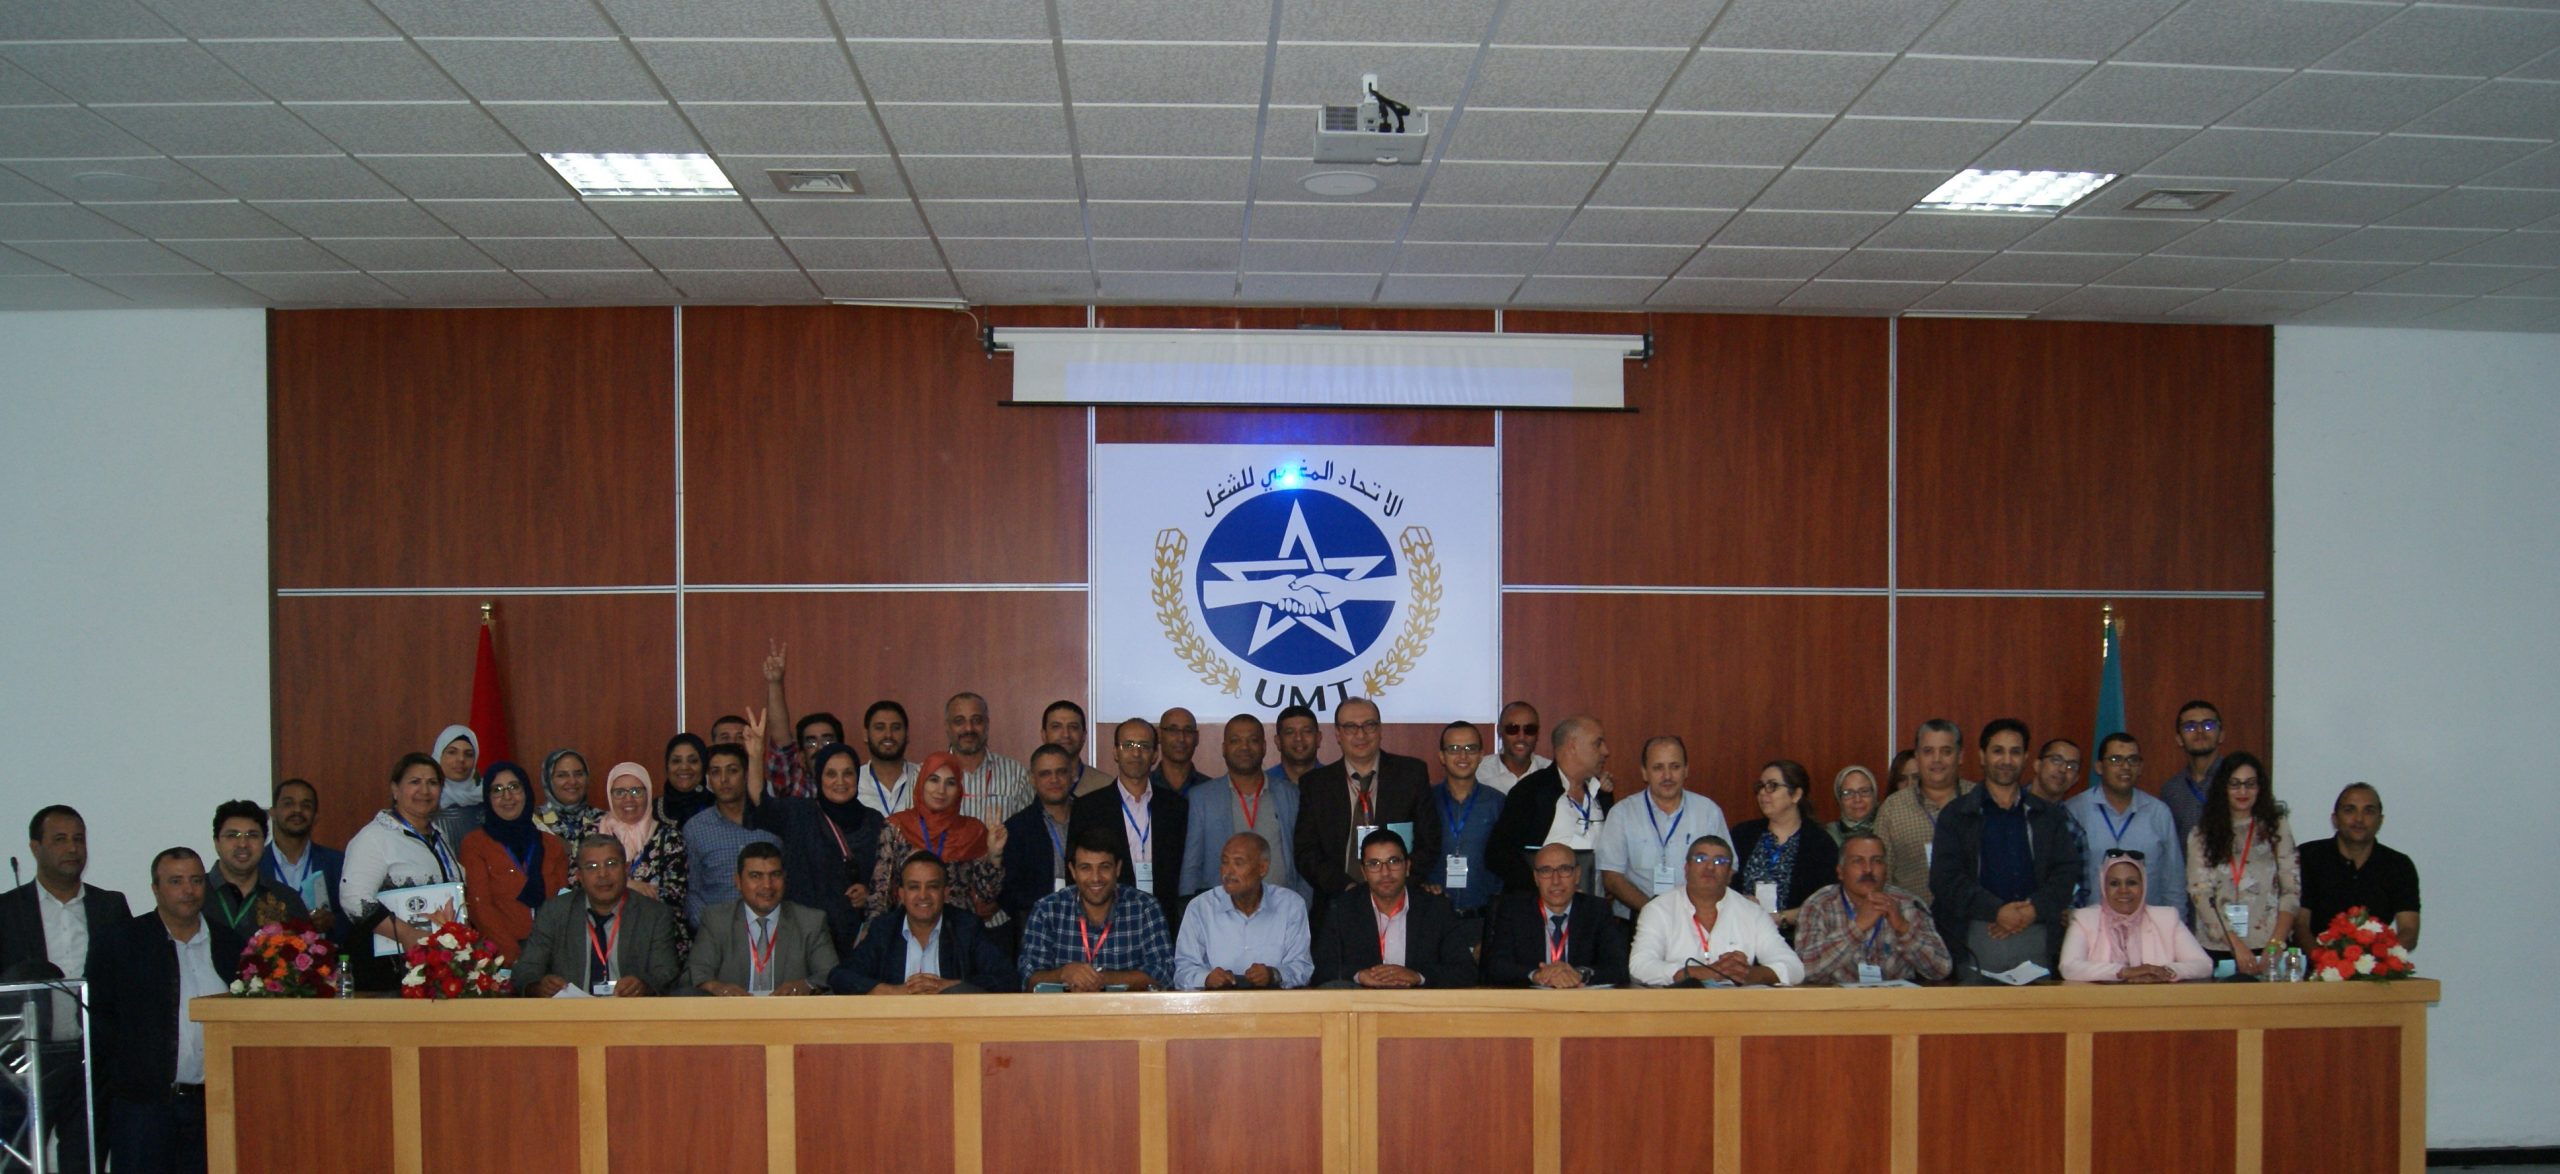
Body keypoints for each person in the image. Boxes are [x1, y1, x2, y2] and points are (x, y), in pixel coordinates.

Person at [91, 848, 244, 1174]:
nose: (188, 890)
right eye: (176, 881)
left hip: (211, 1105)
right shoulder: (122, 942)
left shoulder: (230, 944)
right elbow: (100, 1020)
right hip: (143, 1109)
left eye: (196, 880)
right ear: (155, 889)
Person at [0, 805, 129, 1172]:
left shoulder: (110, 906)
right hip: (26, 1061)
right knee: (18, 1162)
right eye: (60, 840)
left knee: (85, 1161)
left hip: (93, 1059)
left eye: (78, 839)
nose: (72, 848)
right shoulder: (8, 910)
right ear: (35, 847)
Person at [1928, 719, 2079, 983]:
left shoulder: (2047, 815)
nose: (2007, 760)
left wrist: (2032, 910)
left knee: (2038, 1011)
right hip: (1976, 934)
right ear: (1982, 756)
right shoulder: (1957, 814)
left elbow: (2066, 873)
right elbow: (1945, 879)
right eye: (1998, 751)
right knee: (1978, 1010)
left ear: (2026, 758)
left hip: (2036, 931)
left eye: (2015, 752)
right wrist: (1996, 911)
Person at [1293, 698, 1436, 920]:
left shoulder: (1411, 775)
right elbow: (1306, 852)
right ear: (1338, 734)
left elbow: (1429, 842)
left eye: (1369, 725)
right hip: (1337, 905)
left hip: (1400, 905)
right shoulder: (1316, 784)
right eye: (1350, 727)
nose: (1361, 735)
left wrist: (1394, 886)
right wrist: (1348, 889)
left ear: (1380, 730)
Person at [748, 728, 886, 954]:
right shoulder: (799, 813)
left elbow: (885, 879)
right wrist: (755, 756)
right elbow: (760, 801)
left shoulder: (874, 821)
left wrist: (868, 895)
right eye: (831, 774)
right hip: (803, 936)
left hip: (855, 937)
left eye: (848, 773)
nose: (840, 781)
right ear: (819, 777)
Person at [341, 753, 462, 989]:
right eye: (415, 782)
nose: (424, 790)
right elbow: (353, 900)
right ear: (395, 790)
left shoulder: (440, 837)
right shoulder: (375, 837)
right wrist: (406, 934)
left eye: (432, 783)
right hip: (386, 969)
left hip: (437, 963)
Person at [1068, 719, 1194, 936]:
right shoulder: (1088, 807)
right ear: (1116, 752)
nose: (1136, 753)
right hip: (1108, 920)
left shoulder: (1176, 807)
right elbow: (1075, 869)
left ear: (1155, 754)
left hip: (1163, 919)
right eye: (1128, 745)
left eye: (1144, 746)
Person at [1628, 834, 1804, 987]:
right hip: (1676, 1004)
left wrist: (1747, 974)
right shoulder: (1658, 909)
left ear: (1730, 874)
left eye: (1720, 861)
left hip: (1737, 1006)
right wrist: (1702, 973)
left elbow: (1794, 968)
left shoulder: (1752, 913)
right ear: (1686, 869)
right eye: (1700, 859)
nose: (1710, 867)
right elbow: (1639, 967)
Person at [515, 836, 682, 996]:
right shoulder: (554, 911)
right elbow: (526, 970)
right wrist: (538, 987)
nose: (603, 874)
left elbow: (666, 972)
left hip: (630, 1009)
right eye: (592, 866)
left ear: (626, 869)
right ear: (579, 876)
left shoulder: (654, 914)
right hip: (571, 1009)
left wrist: (644, 986)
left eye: (611, 864)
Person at [1312, 830, 1476, 989]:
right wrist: (1359, 976)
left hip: (1419, 1003)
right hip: (1363, 1003)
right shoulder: (1342, 909)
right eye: (1374, 864)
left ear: (1407, 866)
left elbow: (1465, 971)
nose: (1385, 872)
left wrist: (1418, 976)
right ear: (1364, 872)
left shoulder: (1435, 909)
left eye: (1393, 861)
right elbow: (1321, 969)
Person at [2184, 753, 2299, 977]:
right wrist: (2236, 945)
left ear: (2260, 788)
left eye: (2250, 784)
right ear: (2223, 788)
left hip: (2270, 947)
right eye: (2234, 784)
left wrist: (2276, 943)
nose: (2243, 791)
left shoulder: (2277, 828)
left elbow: (2291, 888)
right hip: (2220, 946)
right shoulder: (2201, 834)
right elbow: (2200, 895)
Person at [834, 853, 1016, 994]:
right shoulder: (884, 929)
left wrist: (953, 987)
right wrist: (889, 991)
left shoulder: (966, 927)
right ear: (902, 895)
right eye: (914, 887)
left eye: (932, 886)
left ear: (945, 893)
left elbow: (1008, 978)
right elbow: (840, 976)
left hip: (952, 1025)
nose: (923, 895)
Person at [1019, 828, 1173, 992]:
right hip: (1064, 1008)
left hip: (1126, 1008)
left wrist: (1100, 980)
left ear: (1118, 868)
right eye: (1085, 868)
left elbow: (1163, 974)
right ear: (1073, 871)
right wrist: (1063, 974)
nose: (1095, 878)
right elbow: (1028, 980)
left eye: (1104, 867)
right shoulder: (1047, 910)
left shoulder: (1145, 908)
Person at [1595, 736, 1729, 923]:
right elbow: (1611, 877)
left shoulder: (1708, 812)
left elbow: (1727, 868)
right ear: (1644, 773)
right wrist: (1653, 911)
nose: (1667, 776)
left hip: (1695, 918)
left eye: (1675, 767)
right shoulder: (1622, 813)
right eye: (1658, 768)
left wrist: (1697, 908)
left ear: (1686, 770)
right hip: (1637, 918)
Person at [1794, 833, 1951, 985]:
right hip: (1837, 1000)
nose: (1868, 869)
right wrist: (1857, 927)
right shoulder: (1819, 905)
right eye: (1857, 861)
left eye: (1877, 861)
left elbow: (1941, 970)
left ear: (1886, 870)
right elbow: (1804, 970)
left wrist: (1903, 928)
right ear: (1840, 872)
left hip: (1895, 1000)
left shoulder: (1908, 904)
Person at [1182, 714, 1308, 903]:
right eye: (1236, 741)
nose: (1244, 747)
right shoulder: (1202, 798)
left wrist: (1301, 906)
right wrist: (1189, 910)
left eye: (1253, 740)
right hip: (1221, 912)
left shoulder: (1291, 794)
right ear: (1224, 748)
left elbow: (1304, 859)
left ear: (1264, 747)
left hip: (1282, 910)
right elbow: (1191, 867)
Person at [870, 753, 1005, 926]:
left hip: (959, 929)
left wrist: (994, 855)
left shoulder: (973, 830)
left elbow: (987, 895)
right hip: (907, 928)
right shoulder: (897, 827)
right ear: (921, 783)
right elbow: (881, 890)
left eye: (950, 783)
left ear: (959, 790)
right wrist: (874, 931)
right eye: (934, 780)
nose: (941, 790)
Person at [1486, 715, 1613, 897]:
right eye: (1597, 743)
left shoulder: (1602, 793)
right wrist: (1543, 887)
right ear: (1572, 746)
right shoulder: (1531, 791)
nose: (1605, 751)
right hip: (1539, 908)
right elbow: (1498, 855)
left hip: (1592, 909)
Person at [686, 843, 834, 996]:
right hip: (731, 1009)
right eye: (756, 876)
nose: (767, 885)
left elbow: (830, 974)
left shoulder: (811, 921)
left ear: (785, 878)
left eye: (775, 875)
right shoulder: (717, 920)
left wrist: (807, 985)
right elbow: (695, 974)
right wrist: (717, 988)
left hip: (792, 1009)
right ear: (738, 881)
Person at [459, 762, 569, 965]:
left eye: (514, 787)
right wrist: (515, 957)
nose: (507, 796)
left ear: (526, 791)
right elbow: (480, 908)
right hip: (502, 956)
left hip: (553, 953)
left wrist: (551, 954)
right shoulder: (475, 844)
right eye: (497, 789)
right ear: (487, 798)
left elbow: (563, 904)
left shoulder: (551, 844)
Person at [2063, 733, 2185, 916]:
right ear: (2099, 767)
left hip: (2148, 926)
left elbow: (2173, 882)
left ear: (2140, 767)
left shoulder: (2159, 813)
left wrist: (2176, 925)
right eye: (2116, 760)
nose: (2126, 767)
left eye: (2133, 760)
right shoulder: (2075, 810)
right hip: (2091, 926)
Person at [1174, 833, 1313, 990]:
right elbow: (1183, 971)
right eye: (1225, 862)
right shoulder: (1200, 908)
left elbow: (1302, 967)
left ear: (1262, 868)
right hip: (1217, 1001)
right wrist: (1206, 978)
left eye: (1238, 863)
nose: (1228, 872)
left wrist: (1273, 974)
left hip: (1274, 1000)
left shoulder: (1290, 906)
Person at [1480, 843, 1629, 987]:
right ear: (1536, 878)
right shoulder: (1514, 911)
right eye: (1546, 871)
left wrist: (1580, 974)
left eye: (1564, 869)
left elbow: (1618, 968)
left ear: (1577, 875)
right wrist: (1536, 975)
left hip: (1581, 1000)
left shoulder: (1596, 910)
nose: (1555, 881)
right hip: (1529, 1001)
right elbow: (1495, 967)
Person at [2296, 783, 2421, 951]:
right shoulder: (2307, 857)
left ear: (2380, 820)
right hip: (2311, 963)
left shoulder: (2399, 866)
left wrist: (2382, 960)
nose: (2359, 819)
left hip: (2377, 965)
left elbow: (2409, 930)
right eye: (2349, 810)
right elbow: (2299, 924)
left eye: (2369, 811)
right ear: (2335, 819)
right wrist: (2322, 960)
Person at [2059, 851, 2212, 983]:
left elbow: (2204, 964)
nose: (2123, 890)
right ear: (2103, 887)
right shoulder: (2085, 919)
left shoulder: (2167, 918)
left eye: (2131, 883)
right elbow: (2069, 967)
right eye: (2114, 883)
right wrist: (2124, 972)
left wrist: (2161, 972)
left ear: (2143, 885)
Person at [592, 762, 690, 962]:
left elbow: (675, 895)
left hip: (657, 936)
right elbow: (576, 886)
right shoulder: (592, 835)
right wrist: (628, 885)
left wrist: (611, 889)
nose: (628, 799)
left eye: (636, 791)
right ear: (610, 795)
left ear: (649, 793)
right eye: (619, 792)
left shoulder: (669, 837)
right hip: (601, 935)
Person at [1729, 759, 1838, 939]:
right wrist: (1740, 901)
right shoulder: (1743, 835)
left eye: (1772, 786)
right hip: (1742, 934)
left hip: (1796, 938)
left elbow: (1827, 902)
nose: (1763, 793)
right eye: (1760, 786)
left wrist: (1783, 918)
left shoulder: (1819, 843)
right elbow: (1724, 884)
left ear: (1796, 795)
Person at [679, 742, 785, 926]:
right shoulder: (696, 829)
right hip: (716, 931)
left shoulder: (772, 822)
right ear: (708, 779)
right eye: (715, 772)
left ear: (746, 775)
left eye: (732, 771)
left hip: (772, 929)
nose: (724, 779)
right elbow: (692, 892)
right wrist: (710, 928)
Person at [1416, 721, 1505, 921]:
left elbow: (1506, 863)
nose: (1463, 756)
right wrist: (1421, 882)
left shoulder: (1498, 803)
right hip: (1433, 916)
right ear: (1442, 756)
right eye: (1454, 749)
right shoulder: (1426, 801)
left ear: (1481, 755)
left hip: (1483, 917)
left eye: (1470, 748)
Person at [1877, 720, 1972, 903]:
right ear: (1917, 756)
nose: (1937, 759)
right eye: (1928, 751)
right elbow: (1881, 876)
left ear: (1960, 756)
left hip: (1972, 916)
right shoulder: (1893, 808)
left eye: (1946, 751)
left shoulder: (1980, 801)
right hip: (1912, 917)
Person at [999, 743, 1078, 943]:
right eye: (1045, 774)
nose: (1054, 780)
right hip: (1038, 930)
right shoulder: (1016, 828)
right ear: (1032, 779)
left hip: (1089, 926)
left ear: (1072, 775)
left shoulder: (1092, 817)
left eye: (1061, 772)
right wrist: (1042, 911)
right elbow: (1008, 891)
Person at [207, 799, 308, 934]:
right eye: (233, 835)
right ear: (217, 843)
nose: (243, 844)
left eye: (252, 835)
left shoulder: (287, 898)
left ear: (264, 842)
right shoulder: (196, 894)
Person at [260, 779, 343, 939]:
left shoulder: (337, 863)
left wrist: (332, 922)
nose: (297, 810)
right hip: (268, 952)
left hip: (325, 952)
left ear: (315, 816)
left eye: (306, 805)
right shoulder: (256, 865)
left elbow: (354, 918)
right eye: (288, 803)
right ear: (272, 813)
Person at [755, 639, 832, 801]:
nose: (819, 747)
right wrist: (775, 683)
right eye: (811, 742)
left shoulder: (859, 786)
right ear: (802, 756)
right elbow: (781, 741)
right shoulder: (796, 786)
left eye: (827, 741)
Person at [945, 692, 1032, 825]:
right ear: (947, 726)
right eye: (959, 721)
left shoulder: (1016, 773)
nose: (968, 728)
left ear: (987, 724)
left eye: (976, 720)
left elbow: (1029, 828)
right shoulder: (926, 774)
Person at [2160, 700, 2226, 842]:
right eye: (2190, 727)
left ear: (2221, 735)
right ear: (2179, 739)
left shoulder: (2238, 782)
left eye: (2208, 725)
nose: (2200, 731)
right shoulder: (2171, 790)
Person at [854, 700, 921, 816]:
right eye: (880, 728)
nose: (888, 735)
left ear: (907, 734)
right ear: (866, 735)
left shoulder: (924, 778)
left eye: (896, 728)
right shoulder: (854, 781)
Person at [1039, 700, 1113, 797]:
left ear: (1084, 736)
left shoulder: (1105, 785)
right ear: (1044, 735)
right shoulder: (1026, 785)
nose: (1066, 734)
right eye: (1056, 727)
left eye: (1073, 727)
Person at [429, 723, 485, 847]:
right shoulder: (425, 798)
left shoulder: (487, 797)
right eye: (452, 752)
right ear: (439, 755)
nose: (461, 759)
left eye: (468, 754)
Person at [1480, 701, 1550, 795]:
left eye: (1529, 729)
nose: (1521, 737)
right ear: (1499, 731)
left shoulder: (1553, 774)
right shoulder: (1479, 772)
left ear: (1537, 734)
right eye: (1512, 729)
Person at [537, 746, 602, 842]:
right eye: (562, 775)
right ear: (548, 780)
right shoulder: (534, 822)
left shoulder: (604, 820)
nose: (572, 781)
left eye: (578, 774)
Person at [656, 736, 711, 828]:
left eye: (693, 761)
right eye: (676, 761)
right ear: (667, 766)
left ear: (703, 766)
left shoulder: (719, 806)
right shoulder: (651, 810)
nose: (684, 767)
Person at [1151, 707, 1204, 793]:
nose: (1181, 738)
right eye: (1173, 730)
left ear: (1197, 738)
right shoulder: (1144, 786)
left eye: (1188, 731)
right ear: (1159, 735)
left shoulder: (1210, 789)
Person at [1825, 765, 1880, 846]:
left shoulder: (1887, 829)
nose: (1857, 799)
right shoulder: (1828, 835)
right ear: (1839, 799)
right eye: (1848, 793)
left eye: (1864, 791)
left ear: (1874, 795)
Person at [1272, 705, 1324, 786]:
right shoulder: (1263, 783)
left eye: (1306, 731)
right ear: (1278, 741)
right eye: (1290, 732)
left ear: (1318, 738)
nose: (1298, 738)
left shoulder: (1337, 782)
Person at [2030, 738, 2083, 805]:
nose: (2063, 769)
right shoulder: (2017, 801)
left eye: (2072, 766)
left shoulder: (2071, 811)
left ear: (2076, 779)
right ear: (2037, 765)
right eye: (2056, 760)